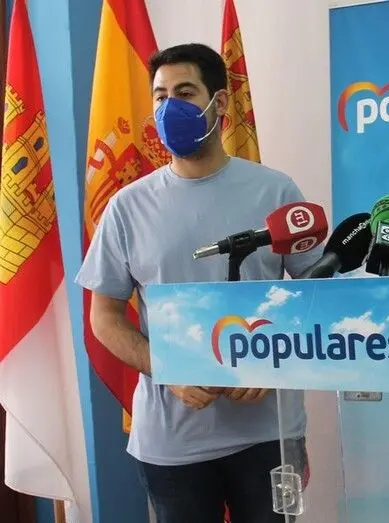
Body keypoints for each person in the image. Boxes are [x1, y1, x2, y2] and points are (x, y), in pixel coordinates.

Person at [76, 43, 320, 523]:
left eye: (185, 93)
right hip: (172, 444)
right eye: (160, 96)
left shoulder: (275, 191)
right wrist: (167, 366)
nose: (170, 107)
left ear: (220, 102)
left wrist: (274, 358)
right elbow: (104, 317)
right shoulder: (127, 207)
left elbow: (315, 293)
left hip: (269, 435)